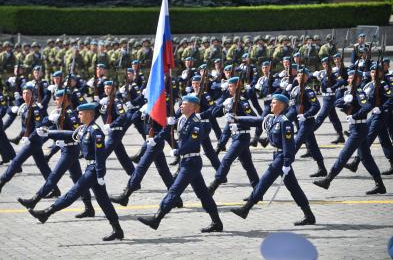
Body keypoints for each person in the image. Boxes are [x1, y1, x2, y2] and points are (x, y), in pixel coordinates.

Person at [28, 103, 124, 241]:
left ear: (89, 114)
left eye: (80, 113)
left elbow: (100, 155)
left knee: (73, 193)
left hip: (94, 170)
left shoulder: (95, 131)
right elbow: (69, 134)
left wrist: (100, 173)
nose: (78, 115)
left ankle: (46, 213)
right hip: (91, 169)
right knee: (103, 201)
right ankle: (118, 230)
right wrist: (49, 133)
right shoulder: (85, 128)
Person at [137, 94, 223, 233]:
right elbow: (166, 131)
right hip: (187, 162)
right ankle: (217, 222)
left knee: (174, 190)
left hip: (191, 162)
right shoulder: (182, 119)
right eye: (181, 103)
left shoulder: (196, 123)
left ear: (193, 107)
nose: (181, 105)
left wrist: (178, 151)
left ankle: (156, 218)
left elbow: (192, 143)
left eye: (185, 104)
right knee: (204, 194)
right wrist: (156, 139)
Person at [230, 94, 316, 226]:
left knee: (264, 181)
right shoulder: (271, 119)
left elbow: (289, 145)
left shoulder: (285, 122)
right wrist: (237, 119)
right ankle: (309, 215)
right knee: (294, 188)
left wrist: (287, 162)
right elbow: (256, 120)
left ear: (281, 105)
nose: (271, 104)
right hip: (276, 155)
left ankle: (246, 209)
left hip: (282, 157)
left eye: (274, 103)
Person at [17, 89, 94, 219]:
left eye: (58, 99)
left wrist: (55, 135)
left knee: (53, 177)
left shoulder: (70, 113)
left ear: (65, 99)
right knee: (78, 180)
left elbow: (77, 133)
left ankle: (34, 200)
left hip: (70, 150)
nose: (55, 101)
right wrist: (48, 121)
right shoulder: (59, 112)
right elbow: (44, 123)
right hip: (66, 150)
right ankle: (89, 208)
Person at [313, 70, 387, 195]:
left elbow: (367, 106)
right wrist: (347, 102)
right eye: (348, 78)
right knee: (366, 158)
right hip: (355, 128)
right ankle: (380, 185)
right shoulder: (348, 92)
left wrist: (355, 116)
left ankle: (328, 179)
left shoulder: (359, 92)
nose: (348, 80)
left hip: (359, 128)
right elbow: (337, 102)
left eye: (351, 79)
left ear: (357, 80)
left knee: (344, 155)